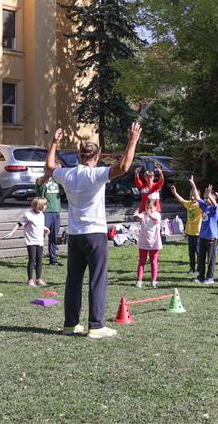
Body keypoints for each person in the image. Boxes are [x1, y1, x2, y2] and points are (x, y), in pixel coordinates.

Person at [46, 123, 141, 339]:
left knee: (73, 280)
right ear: (96, 157)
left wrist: (53, 143)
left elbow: (50, 167)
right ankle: (96, 326)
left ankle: (70, 324)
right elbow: (124, 167)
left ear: (79, 156)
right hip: (95, 234)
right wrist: (132, 141)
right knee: (97, 279)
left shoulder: (68, 175)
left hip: (75, 235)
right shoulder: (96, 175)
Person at [4, 197, 49, 287]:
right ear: (39, 206)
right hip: (31, 241)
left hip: (39, 240)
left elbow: (39, 225)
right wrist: (11, 232)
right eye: (44, 205)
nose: (46, 206)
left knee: (39, 259)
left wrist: (45, 228)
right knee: (32, 259)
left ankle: (38, 279)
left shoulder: (41, 214)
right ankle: (30, 280)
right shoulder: (28, 215)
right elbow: (19, 224)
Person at [191, 176, 218, 284]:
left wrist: (210, 196)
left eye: (208, 198)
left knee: (211, 259)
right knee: (201, 259)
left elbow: (215, 203)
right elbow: (197, 196)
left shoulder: (215, 208)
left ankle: (210, 277)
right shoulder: (204, 206)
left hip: (211, 237)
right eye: (206, 197)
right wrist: (193, 184)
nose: (206, 199)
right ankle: (201, 277)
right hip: (202, 236)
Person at [170, 184, 202, 275]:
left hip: (197, 233)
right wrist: (175, 192)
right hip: (189, 232)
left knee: (198, 252)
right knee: (191, 253)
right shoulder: (189, 204)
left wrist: (193, 185)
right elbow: (181, 200)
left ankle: (200, 268)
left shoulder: (200, 206)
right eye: (190, 195)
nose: (192, 197)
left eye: (194, 195)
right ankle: (192, 268)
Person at [134, 197, 162, 289]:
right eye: (147, 207)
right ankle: (139, 280)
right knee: (141, 262)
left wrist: (149, 214)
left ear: (155, 207)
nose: (148, 209)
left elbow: (155, 220)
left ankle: (153, 281)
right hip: (143, 242)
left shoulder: (157, 215)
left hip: (154, 243)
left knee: (153, 262)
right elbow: (139, 218)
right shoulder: (143, 214)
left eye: (151, 207)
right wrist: (137, 215)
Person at [36, 168, 63, 266]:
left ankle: (53, 259)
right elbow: (39, 187)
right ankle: (36, 260)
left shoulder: (57, 181)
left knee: (54, 237)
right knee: (40, 237)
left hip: (56, 212)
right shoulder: (41, 180)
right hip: (46, 212)